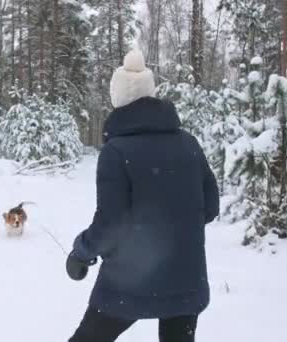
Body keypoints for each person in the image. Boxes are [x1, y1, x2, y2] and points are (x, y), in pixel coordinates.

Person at [65, 49, 220, 342]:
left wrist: (81, 252)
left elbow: (111, 223)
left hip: (130, 282)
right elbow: (210, 208)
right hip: (185, 279)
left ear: (118, 99)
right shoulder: (189, 144)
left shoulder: (117, 151)